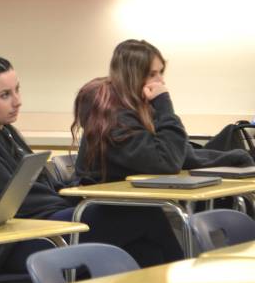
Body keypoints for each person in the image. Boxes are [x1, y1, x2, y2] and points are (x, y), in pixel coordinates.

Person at [0, 55, 184, 275]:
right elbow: (9, 199)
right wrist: (67, 200)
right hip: (11, 244)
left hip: (39, 226)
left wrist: (72, 191)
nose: (17, 101)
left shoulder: (2, 130)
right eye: (5, 95)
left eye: (17, 90)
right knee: (146, 214)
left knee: (141, 249)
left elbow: (40, 184)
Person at [73, 39, 253, 184]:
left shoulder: (135, 108)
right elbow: (167, 163)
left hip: (135, 201)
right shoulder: (111, 115)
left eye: (161, 72)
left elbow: (179, 154)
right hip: (103, 205)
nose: (161, 81)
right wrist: (163, 104)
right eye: (152, 74)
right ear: (132, 77)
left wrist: (232, 158)